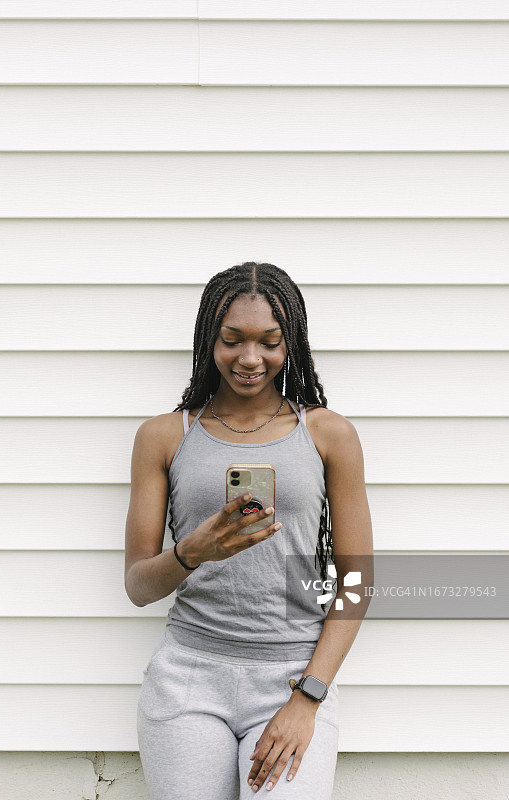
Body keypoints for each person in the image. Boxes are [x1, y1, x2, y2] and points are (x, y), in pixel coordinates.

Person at [125, 261, 373, 799]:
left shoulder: (329, 434)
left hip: (290, 676)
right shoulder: (164, 437)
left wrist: (308, 697)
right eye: (232, 340)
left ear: (292, 345)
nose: (250, 359)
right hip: (187, 678)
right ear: (208, 341)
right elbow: (138, 586)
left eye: (269, 342)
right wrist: (191, 552)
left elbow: (357, 583)